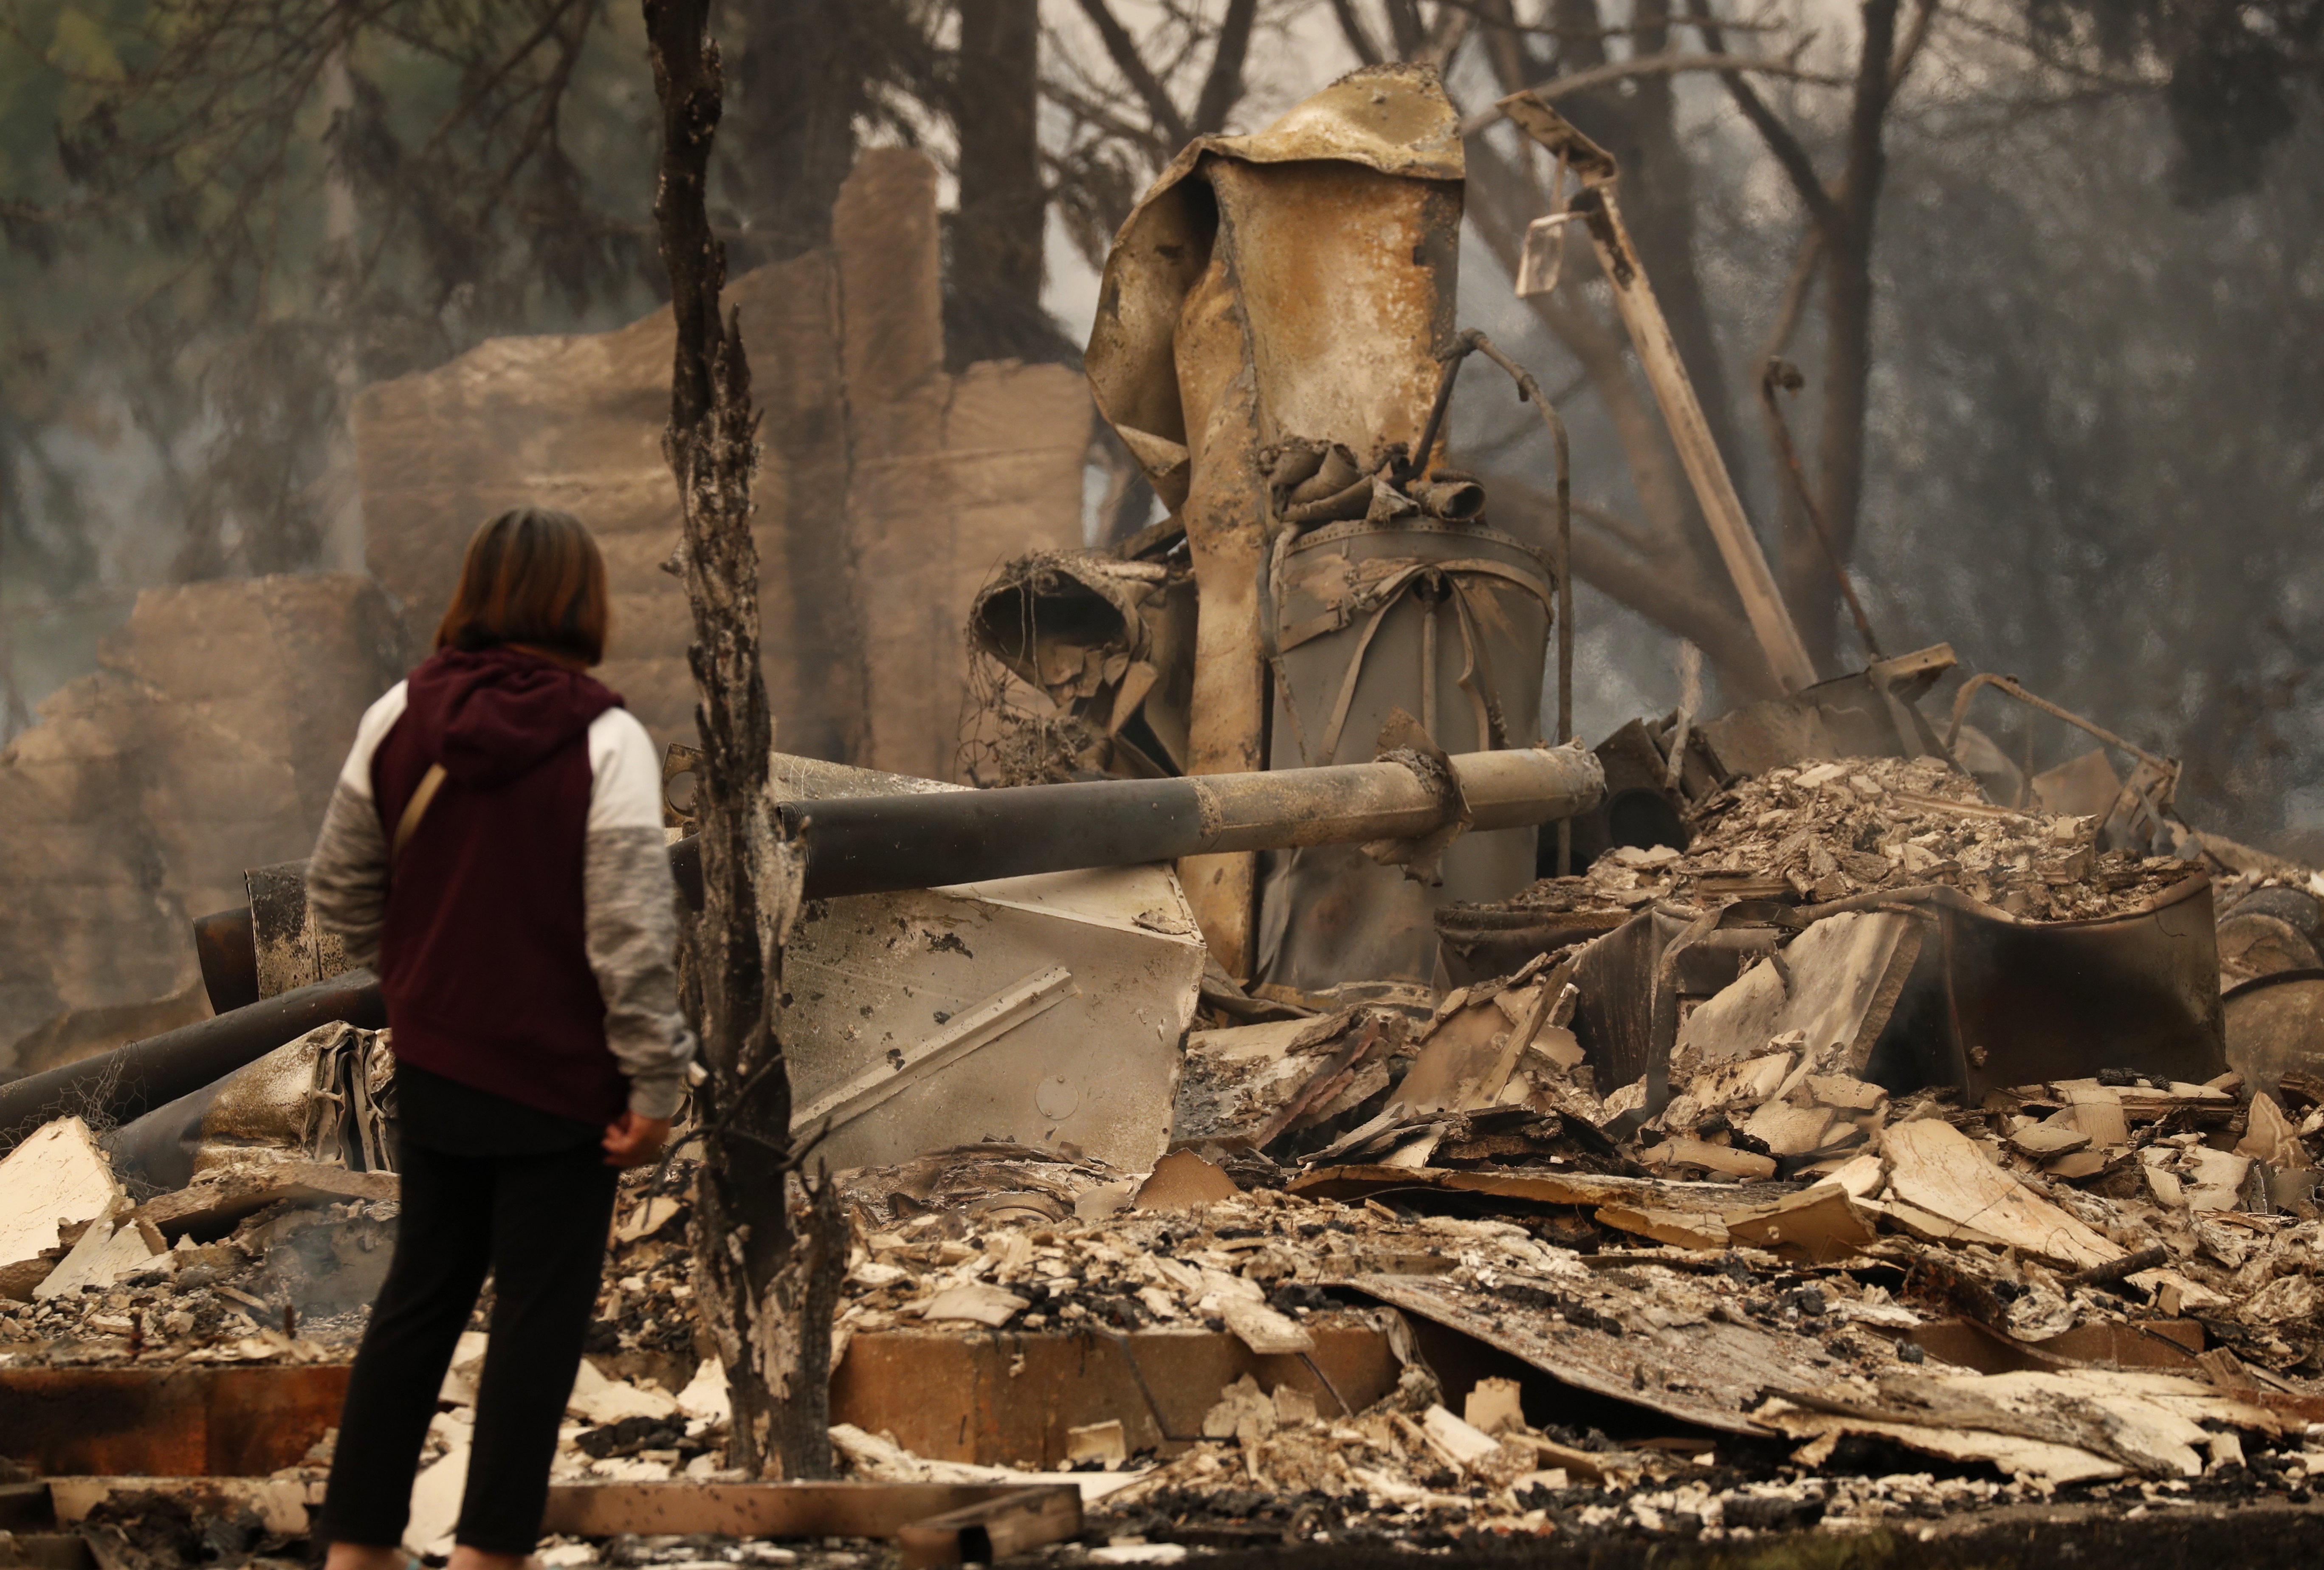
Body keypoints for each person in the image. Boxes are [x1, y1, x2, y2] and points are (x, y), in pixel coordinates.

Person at [305, 507, 696, 1570]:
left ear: (474, 591)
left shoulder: (396, 716)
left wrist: (427, 973)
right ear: (584, 601)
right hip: (565, 1090)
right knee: (534, 1324)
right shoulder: (608, 741)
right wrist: (657, 1084)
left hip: (436, 1067)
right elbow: (628, 935)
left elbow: (337, 893)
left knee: (415, 1306)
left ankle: (357, 1552)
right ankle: (488, 1557)